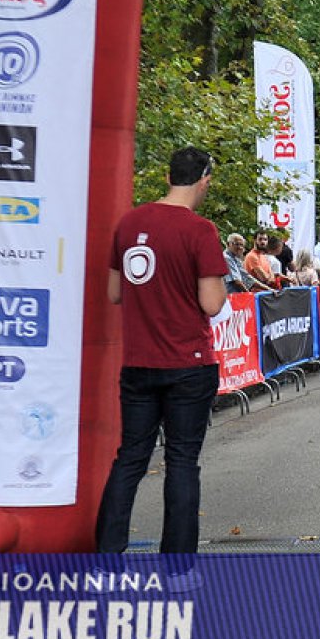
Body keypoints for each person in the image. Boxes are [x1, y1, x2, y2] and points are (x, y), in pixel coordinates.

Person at [95, 147, 227, 576]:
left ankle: (105, 563)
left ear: (169, 177)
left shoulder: (129, 223)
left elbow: (114, 292)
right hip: (188, 362)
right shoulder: (200, 230)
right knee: (182, 462)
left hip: (139, 363)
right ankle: (177, 571)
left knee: (129, 459)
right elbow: (212, 303)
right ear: (204, 180)